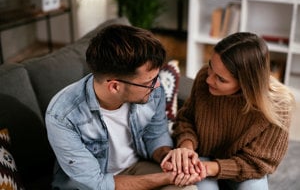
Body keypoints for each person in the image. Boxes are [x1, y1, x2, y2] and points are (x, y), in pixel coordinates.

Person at [45, 24, 204, 190]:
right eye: (149, 82)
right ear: (114, 86)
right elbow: (95, 183)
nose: (157, 85)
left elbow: (155, 134)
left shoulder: (152, 91)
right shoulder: (62, 116)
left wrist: (169, 157)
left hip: (136, 168)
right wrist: (166, 178)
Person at [161, 32, 295, 190]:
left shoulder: (278, 106)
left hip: (242, 168)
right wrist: (186, 147)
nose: (209, 79)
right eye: (210, 66)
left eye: (221, 79)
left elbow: (259, 163)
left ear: (246, 84)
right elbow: (187, 119)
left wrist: (212, 168)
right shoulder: (205, 77)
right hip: (201, 158)